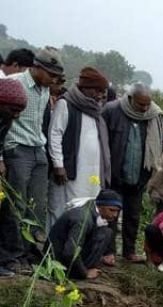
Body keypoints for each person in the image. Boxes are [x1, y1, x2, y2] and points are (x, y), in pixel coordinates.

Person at [2, 47, 63, 254]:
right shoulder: (15, 83)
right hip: (18, 149)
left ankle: (30, 252)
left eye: (56, 76)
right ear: (37, 67)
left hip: (38, 148)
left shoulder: (45, 89)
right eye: (51, 74)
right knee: (17, 204)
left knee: (37, 206)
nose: (54, 80)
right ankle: (13, 251)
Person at [102, 82, 163, 262]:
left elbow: (157, 145)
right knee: (111, 216)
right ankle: (108, 251)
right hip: (115, 175)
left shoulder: (153, 116)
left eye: (147, 104)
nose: (145, 108)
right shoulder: (111, 111)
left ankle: (129, 251)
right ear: (130, 99)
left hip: (139, 177)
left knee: (133, 216)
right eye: (141, 104)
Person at [48, 67, 111, 230]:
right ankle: (56, 250)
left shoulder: (96, 110)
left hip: (93, 174)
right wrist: (59, 165)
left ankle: (79, 248)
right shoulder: (66, 103)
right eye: (97, 90)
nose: (100, 95)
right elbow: (55, 135)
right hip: (71, 171)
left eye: (102, 92)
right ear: (85, 87)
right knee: (65, 209)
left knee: (88, 210)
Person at [48, 189, 121, 280]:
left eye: (117, 211)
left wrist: (108, 253)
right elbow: (70, 252)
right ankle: (75, 273)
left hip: (61, 256)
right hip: (56, 262)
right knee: (104, 233)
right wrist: (84, 273)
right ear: (100, 206)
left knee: (106, 232)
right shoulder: (83, 219)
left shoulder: (91, 209)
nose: (115, 215)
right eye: (112, 210)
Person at [0, 77, 28, 278]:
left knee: (7, 211)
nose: (17, 116)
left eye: (20, 111)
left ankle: (9, 258)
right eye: (14, 110)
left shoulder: (6, 119)